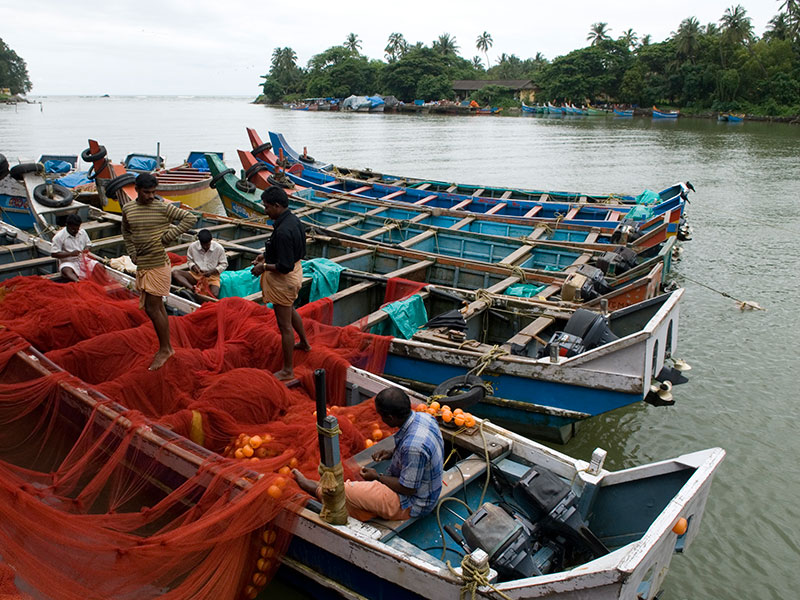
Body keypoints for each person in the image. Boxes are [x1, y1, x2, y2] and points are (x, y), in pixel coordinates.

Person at [293, 387, 444, 522]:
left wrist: (377, 477)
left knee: (346, 491)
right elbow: (420, 454)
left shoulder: (413, 447)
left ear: (390, 417)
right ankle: (367, 509)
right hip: (426, 488)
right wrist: (391, 453)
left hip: (412, 503)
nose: (381, 419)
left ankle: (315, 489)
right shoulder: (425, 418)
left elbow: (408, 489)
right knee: (360, 496)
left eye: (382, 416)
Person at [122, 173, 197, 370]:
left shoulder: (161, 207)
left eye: (154, 192)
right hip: (143, 264)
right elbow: (126, 231)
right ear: (136, 190)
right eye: (146, 192)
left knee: (152, 307)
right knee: (154, 307)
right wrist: (131, 252)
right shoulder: (128, 209)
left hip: (158, 263)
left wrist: (167, 238)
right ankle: (165, 346)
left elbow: (189, 218)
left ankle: (166, 348)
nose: (150, 196)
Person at [250, 185, 311, 381]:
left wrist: (264, 267)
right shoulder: (293, 220)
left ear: (277, 205)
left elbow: (284, 266)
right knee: (290, 309)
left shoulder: (284, 230)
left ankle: (287, 369)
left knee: (284, 326)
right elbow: (290, 253)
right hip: (296, 270)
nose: (265, 210)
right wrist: (265, 256)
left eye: (267, 207)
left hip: (285, 279)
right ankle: (304, 342)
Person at [172, 229, 228, 298]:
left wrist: (213, 271)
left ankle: (198, 291)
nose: (205, 247)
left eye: (207, 245)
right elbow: (189, 261)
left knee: (214, 294)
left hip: (212, 277)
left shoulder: (219, 248)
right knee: (175, 273)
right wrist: (193, 267)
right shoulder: (193, 246)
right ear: (200, 242)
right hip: (196, 275)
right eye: (203, 245)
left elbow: (224, 264)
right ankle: (192, 288)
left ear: (211, 241)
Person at [51, 213, 98, 282]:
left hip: (82, 259)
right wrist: (70, 254)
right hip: (68, 262)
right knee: (66, 271)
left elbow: (88, 245)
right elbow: (54, 254)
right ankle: (78, 282)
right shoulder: (58, 237)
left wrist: (86, 250)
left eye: (77, 229)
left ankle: (96, 281)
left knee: (99, 266)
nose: (75, 231)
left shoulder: (82, 232)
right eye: (73, 229)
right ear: (67, 225)